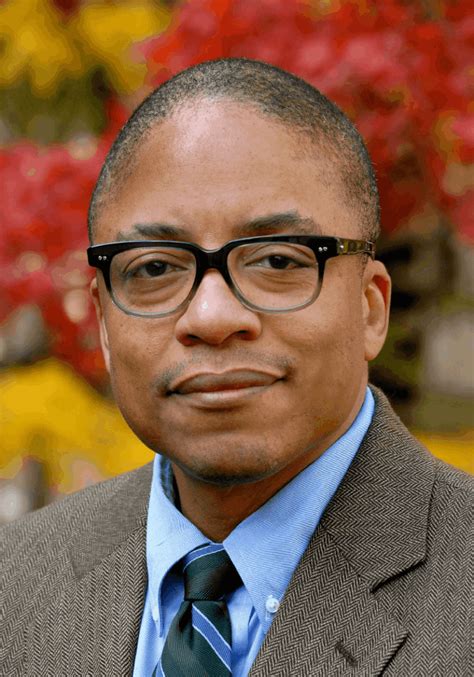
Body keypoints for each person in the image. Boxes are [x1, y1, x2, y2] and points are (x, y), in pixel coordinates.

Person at [0, 58, 471, 677]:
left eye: (277, 261)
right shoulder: (16, 584)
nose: (212, 316)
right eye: (154, 268)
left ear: (370, 308)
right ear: (105, 324)